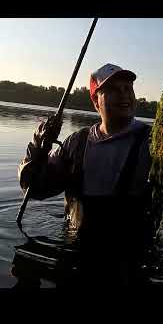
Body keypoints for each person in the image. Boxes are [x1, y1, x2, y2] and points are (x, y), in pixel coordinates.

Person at [17, 63, 153, 287]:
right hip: (74, 252)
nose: (124, 95)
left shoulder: (153, 142)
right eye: (113, 90)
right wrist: (39, 146)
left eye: (128, 88)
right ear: (95, 101)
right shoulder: (77, 143)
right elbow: (35, 188)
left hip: (128, 261)